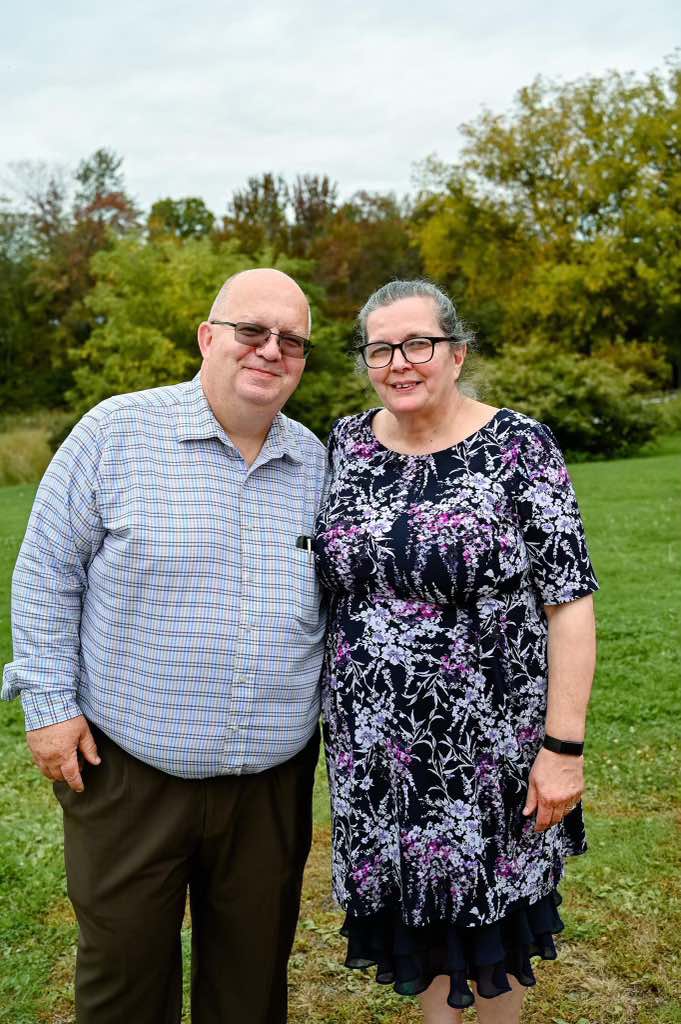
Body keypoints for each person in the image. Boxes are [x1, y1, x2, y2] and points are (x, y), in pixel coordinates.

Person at [2, 268, 327, 1024]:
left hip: (270, 784)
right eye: (252, 331)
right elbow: (47, 569)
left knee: (250, 985)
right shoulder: (116, 433)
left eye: (293, 341)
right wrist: (49, 708)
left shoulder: (315, 463)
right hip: (128, 772)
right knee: (124, 978)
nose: (271, 350)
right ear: (208, 338)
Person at [314, 279, 598, 1024]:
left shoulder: (517, 446)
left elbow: (568, 603)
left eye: (417, 344)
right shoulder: (344, 443)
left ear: (456, 352)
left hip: (484, 749)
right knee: (419, 924)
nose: (398, 362)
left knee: (488, 936)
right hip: (373, 754)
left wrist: (561, 747)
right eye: (379, 348)